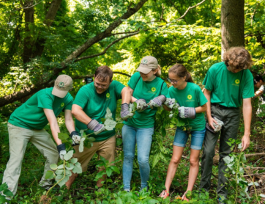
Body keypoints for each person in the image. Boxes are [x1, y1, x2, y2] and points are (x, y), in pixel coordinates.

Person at [2, 75, 78, 197]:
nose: (58, 94)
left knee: (54, 153)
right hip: (19, 125)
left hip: (36, 129)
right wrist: (61, 146)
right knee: (16, 160)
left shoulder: (68, 99)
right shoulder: (45, 95)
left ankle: (45, 184)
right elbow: (53, 122)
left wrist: (73, 133)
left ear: (69, 89)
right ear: (55, 85)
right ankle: (5, 196)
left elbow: (68, 120)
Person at [199, 47, 254, 201]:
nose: (236, 71)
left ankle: (221, 195)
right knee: (208, 152)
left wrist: (246, 134)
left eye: (240, 68)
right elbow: (207, 93)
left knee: (227, 154)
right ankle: (203, 191)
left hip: (233, 114)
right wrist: (209, 117)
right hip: (214, 110)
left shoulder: (246, 74)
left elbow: (247, 103)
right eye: (234, 67)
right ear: (228, 61)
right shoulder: (215, 69)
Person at [66, 65, 132, 188]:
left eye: (103, 85)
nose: (100, 87)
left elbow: (126, 91)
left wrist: (125, 106)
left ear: (110, 82)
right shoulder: (85, 90)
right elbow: (75, 110)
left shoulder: (114, 86)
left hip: (107, 137)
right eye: (97, 83)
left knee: (105, 167)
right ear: (94, 77)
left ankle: (100, 192)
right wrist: (92, 124)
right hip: (86, 137)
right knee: (74, 166)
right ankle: (63, 191)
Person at [159, 64, 207, 200]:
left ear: (184, 77)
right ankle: (166, 190)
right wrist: (165, 104)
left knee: (193, 160)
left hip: (197, 127)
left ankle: (188, 192)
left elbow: (204, 107)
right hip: (182, 127)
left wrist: (190, 110)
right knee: (175, 159)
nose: (172, 83)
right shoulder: (171, 90)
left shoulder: (194, 89)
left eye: (175, 80)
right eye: (170, 80)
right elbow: (168, 108)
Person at [122, 56, 169, 192]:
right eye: (141, 70)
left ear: (154, 71)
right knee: (128, 156)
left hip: (146, 126)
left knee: (143, 159)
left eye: (146, 72)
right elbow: (127, 92)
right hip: (130, 123)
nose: (142, 73)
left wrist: (162, 99)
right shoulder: (136, 77)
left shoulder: (161, 84)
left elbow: (167, 105)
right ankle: (126, 189)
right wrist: (136, 101)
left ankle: (144, 188)